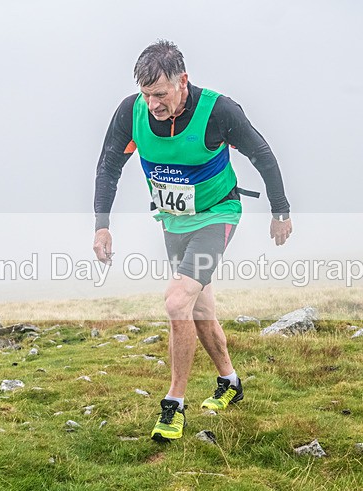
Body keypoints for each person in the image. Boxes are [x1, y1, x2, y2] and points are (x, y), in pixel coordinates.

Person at [92, 40, 292, 442]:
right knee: (199, 310)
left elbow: (263, 155)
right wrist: (102, 224)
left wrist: (280, 211)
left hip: (217, 216)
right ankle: (230, 382)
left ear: (183, 81)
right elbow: (109, 164)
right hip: (173, 221)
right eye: (147, 95)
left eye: (161, 94)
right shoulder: (130, 113)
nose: (153, 105)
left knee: (176, 299)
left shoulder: (219, 111)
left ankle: (173, 405)